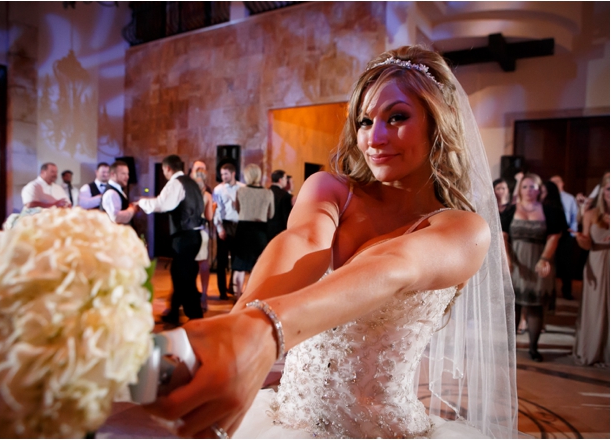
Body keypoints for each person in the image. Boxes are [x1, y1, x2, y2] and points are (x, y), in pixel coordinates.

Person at [146, 46, 517, 439]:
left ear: (438, 124)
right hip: (285, 421)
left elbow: (391, 266)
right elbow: (302, 242)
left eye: (397, 118)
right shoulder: (332, 189)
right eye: (364, 120)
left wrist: (267, 333)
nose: (374, 138)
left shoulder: (464, 230)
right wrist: (236, 334)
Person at [502, 173, 565, 362]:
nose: (529, 190)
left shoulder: (550, 211)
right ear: (519, 189)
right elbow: (502, 236)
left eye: (533, 187)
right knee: (514, 305)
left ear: (540, 190)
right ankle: (509, 347)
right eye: (525, 186)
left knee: (536, 306)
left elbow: (554, 237)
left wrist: (544, 259)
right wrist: (508, 259)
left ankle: (533, 347)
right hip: (516, 261)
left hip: (539, 261)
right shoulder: (510, 210)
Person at [137, 155, 204, 325]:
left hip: (184, 237)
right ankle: (173, 312)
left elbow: (162, 204)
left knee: (184, 277)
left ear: (167, 168)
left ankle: (195, 315)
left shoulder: (176, 183)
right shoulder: (192, 183)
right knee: (180, 273)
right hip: (194, 235)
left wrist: (142, 202)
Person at [573, 173, 609, 366]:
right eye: (609, 188)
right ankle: (593, 350)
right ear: (603, 191)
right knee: (595, 308)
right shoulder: (591, 214)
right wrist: (581, 239)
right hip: (597, 262)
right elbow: (586, 245)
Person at [231, 164, 274, 299]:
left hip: (243, 229)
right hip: (260, 230)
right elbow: (271, 214)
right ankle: (254, 296)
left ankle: (238, 298)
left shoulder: (241, 191)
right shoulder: (268, 193)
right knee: (258, 266)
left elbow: (237, 210)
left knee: (239, 266)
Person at [213, 163, 245, 300]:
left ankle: (233, 287)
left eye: (226, 174)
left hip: (238, 225)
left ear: (233, 173)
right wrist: (219, 228)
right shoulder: (218, 189)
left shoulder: (243, 188)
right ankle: (222, 292)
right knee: (222, 260)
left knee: (237, 259)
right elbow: (216, 211)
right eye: (222, 174)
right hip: (225, 224)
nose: (223, 177)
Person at [192, 167, 214, 312]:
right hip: (202, 231)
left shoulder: (188, 193)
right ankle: (204, 296)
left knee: (189, 266)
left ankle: (192, 294)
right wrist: (213, 207)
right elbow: (209, 217)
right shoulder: (206, 195)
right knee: (203, 265)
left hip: (189, 231)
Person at [100, 161, 138, 226]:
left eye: (127, 174)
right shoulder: (111, 193)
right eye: (123, 174)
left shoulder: (117, 190)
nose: (127, 177)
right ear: (113, 174)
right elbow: (116, 217)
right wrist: (132, 209)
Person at [267, 170, 293, 240]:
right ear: (280, 180)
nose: (286, 181)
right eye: (285, 178)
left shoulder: (266, 192)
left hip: (266, 229)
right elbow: (286, 216)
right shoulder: (285, 195)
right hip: (279, 230)